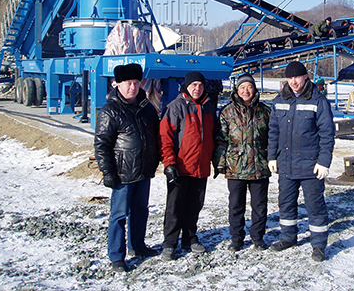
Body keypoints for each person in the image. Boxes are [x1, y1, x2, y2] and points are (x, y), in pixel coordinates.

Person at [94, 63, 160, 272]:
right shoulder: (110, 111)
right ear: (118, 85)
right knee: (119, 215)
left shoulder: (146, 107)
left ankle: (137, 246)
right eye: (128, 83)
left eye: (136, 83)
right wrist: (108, 172)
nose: (132, 87)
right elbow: (102, 144)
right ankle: (116, 256)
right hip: (122, 174)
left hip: (143, 171)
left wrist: (155, 159)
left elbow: (155, 136)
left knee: (140, 211)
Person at [267, 61, 335, 262]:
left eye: (297, 77)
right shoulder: (280, 100)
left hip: (310, 166)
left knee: (315, 206)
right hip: (286, 164)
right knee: (286, 204)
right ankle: (288, 238)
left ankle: (318, 246)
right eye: (290, 78)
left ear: (305, 77)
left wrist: (324, 162)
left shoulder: (318, 101)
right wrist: (272, 156)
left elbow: (327, 133)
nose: (293, 82)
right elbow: (273, 131)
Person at [160, 71, 216, 260]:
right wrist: (169, 163)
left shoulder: (209, 107)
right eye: (193, 85)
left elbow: (213, 137)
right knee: (175, 207)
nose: (197, 88)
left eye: (200, 85)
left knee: (195, 206)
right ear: (186, 86)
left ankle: (190, 238)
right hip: (180, 167)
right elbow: (165, 137)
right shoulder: (176, 107)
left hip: (200, 168)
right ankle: (169, 243)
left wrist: (214, 160)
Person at [213, 73, 271, 251]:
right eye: (242, 87)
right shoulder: (227, 112)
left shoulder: (265, 111)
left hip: (259, 166)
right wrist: (220, 163)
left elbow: (272, 138)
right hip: (235, 167)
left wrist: (273, 159)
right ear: (237, 90)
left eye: (249, 87)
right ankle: (236, 238)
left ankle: (258, 237)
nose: (246, 91)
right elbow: (221, 139)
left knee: (259, 206)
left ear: (254, 89)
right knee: (236, 206)